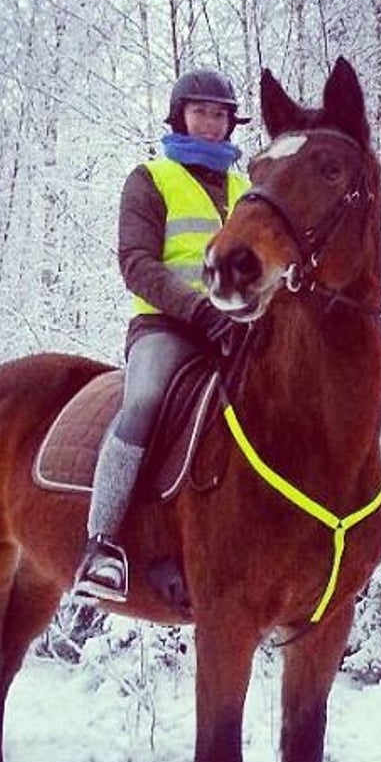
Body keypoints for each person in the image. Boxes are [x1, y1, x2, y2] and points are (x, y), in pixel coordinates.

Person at [72, 68, 250, 603]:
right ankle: (100, 545)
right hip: (166, 326)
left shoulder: (247, 190)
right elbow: (136, 262)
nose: (211, 123)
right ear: (180, 116)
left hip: (238, 329)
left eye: (220, 114)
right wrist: (199, 311)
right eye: (201, 112)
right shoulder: (150, 178)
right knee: (146, 400)